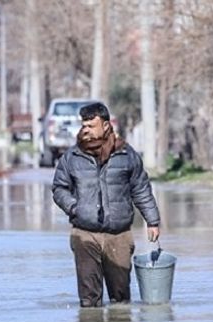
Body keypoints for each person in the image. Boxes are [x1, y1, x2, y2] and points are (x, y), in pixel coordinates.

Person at [52, 102, 160, 308]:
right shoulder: (72, 157)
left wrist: (153, 221)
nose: (86, 130)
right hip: (84, 234)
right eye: (84, 126)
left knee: (120, 298)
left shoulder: (126, 155)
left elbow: (141, 189)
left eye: (91, 126)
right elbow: (59, 189)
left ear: (106, 126)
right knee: (89, 299)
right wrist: (74, 208)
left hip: (119, 234)